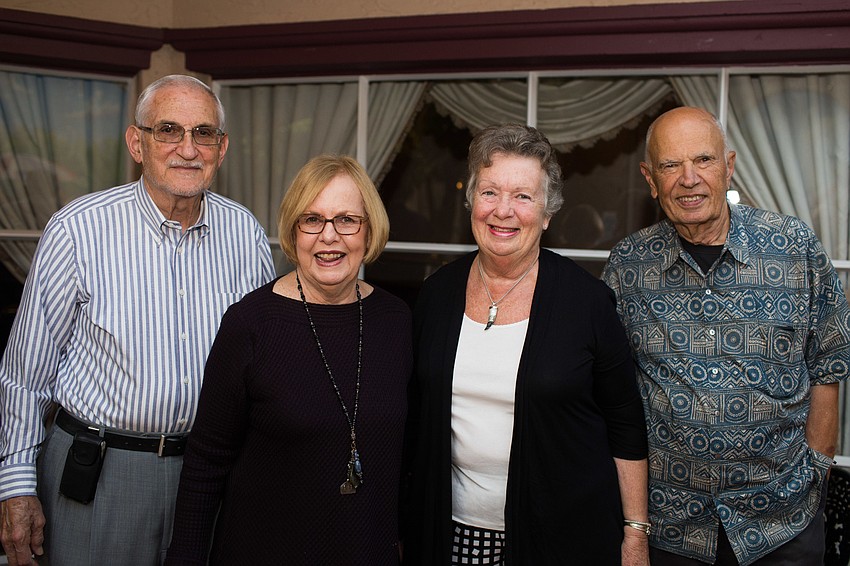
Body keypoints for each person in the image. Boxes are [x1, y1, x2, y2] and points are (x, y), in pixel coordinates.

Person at [0, 74, 275, 566]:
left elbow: (260, 365)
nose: (188, 149)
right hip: (99, 474)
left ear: (222, 147)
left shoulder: (245, 235)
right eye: (168, 130)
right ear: (136, 142)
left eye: (204, 133)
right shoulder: (78, 230)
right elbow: (25, 376)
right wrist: (16, 485)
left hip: (208, 475)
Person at [602, 106, 850, 565]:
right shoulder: (628, 265)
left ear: (729, 165)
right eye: (670, 165)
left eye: (704, 160)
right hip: (672, 529)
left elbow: (829, 364)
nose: (688, 179)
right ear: (650, 178)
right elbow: (611, 390)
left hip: (781, 526)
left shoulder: (792, 247)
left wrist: (817, 471)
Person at [403, 123, 650, 565]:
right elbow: (416, 417)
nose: (503, 211)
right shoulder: (437, 294)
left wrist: (634, 534)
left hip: (561, 537)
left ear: (547, 213)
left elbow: (626, 424)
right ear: (471, 202)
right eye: (490, 192)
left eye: (522, 196)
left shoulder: (588, 302)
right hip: (449, 532)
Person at [164, 154, 412, 565]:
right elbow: (206, 462)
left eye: (347, 220)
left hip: (365, 551)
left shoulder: (397, 320)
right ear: (293, 231)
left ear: (369, 231)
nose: (328, 236)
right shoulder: (250, 323)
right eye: (312, 219)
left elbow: (405, 456)